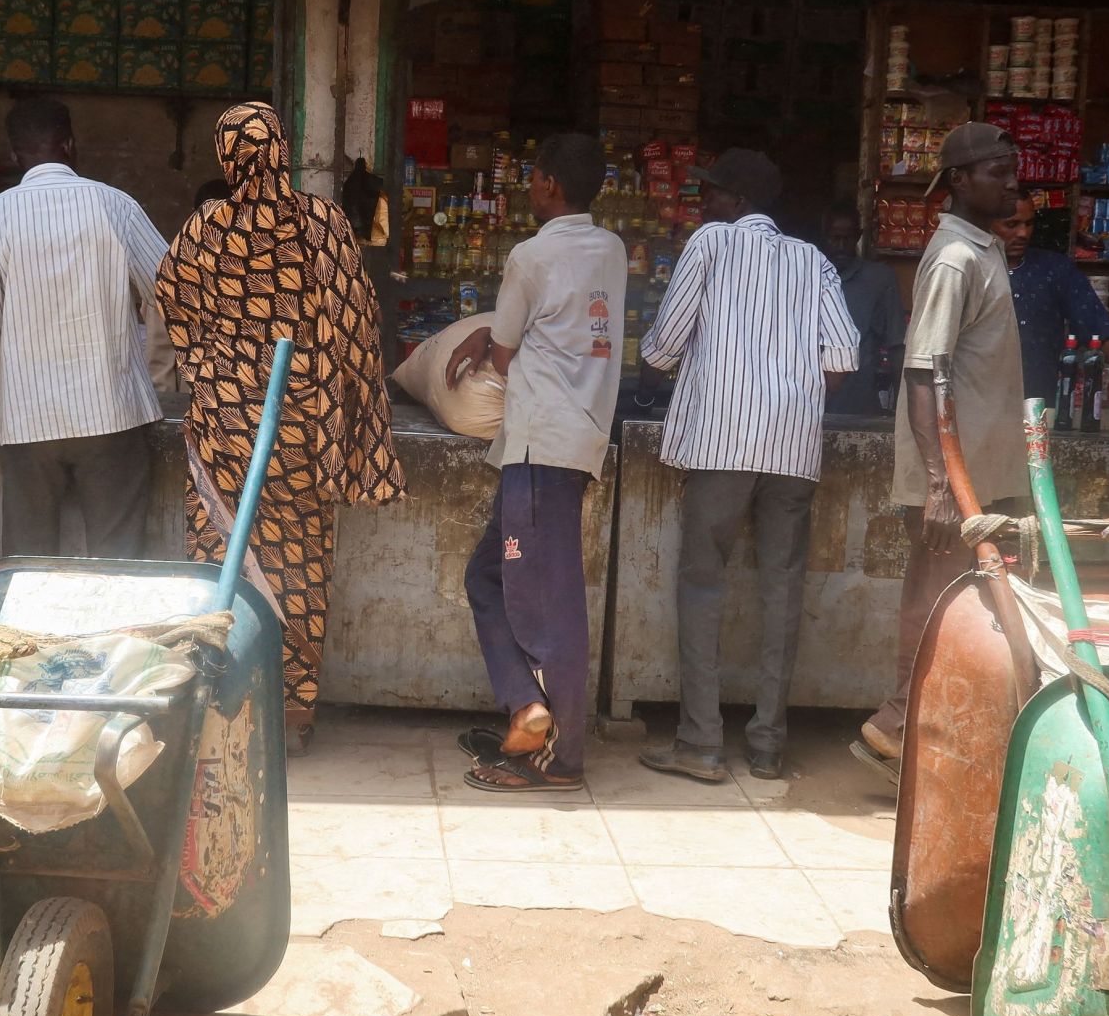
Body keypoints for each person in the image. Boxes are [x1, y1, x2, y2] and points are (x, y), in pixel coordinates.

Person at [158, 102, 404, 738]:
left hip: (221, 429)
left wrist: (212, 367)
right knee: (297, 562)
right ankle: (292, 712)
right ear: (283, 151)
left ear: (225, 156)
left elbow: (171, 306)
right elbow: (356, 321)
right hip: (301, 425)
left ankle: (220, 700)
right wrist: (356, 422)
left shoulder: (203, 230)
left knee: (222, 555)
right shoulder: (321, 222)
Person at [636, 150, 858, 782]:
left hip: (720, 443)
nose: (701, 207)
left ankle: (701, 743)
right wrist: (790, 399)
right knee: (782, 587)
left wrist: (661, 364)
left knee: (703, 582)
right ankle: (767, 743)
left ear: (734, 201)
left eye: (709, 196)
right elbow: (841, 360)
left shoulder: (712, 241)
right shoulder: (812, 259)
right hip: (792, 449)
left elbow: (665, 345)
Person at [442, 131, 626, 792]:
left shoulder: (530, 256)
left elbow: (504, 354)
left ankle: (561, 757)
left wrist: (487, 336)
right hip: (570, 443)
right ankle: (526, 704)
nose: (528, 186)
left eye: (533, 177)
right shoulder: (611, 249)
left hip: (540, 445)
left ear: (549, 184)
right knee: (487, 577)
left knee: (549, 606)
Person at [858, 123, 1027, 766]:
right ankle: (900, 722)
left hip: (977, 469)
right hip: (957, 475)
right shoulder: (956, 257)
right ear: (957, 181)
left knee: (952, 599)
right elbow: (924, 370)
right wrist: (939, 481)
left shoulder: (981, 250)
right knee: (941, 597)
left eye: (1013, 169)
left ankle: (912, 728)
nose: (1012, 182)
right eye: (997, 171)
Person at [0, 98, 168, 561]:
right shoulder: (115, 206)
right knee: (118, 561)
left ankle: (27, 637)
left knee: (28, 565)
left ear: (13, 155)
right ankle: (114, 635)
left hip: (27, 425)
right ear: (70, 144)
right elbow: (175, 290)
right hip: (112, 414)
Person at [995, 196, 1109, 405]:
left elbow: (1097, 324)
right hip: (978, 399)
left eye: (1029, 224)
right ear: (986, 224)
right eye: (1011, 224)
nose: (1023, 233)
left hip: (1038, 402)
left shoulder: (1053, 268)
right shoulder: (971, 268)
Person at [823, 202, 905, 418]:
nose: (841, 246)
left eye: (847, 239)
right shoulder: (806, 276)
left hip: (859, 400)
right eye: (834, 238)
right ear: (823, 237)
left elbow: (897, 344)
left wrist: (900, 405)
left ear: (858, 236)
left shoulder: (878, 279)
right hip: (810, 403)